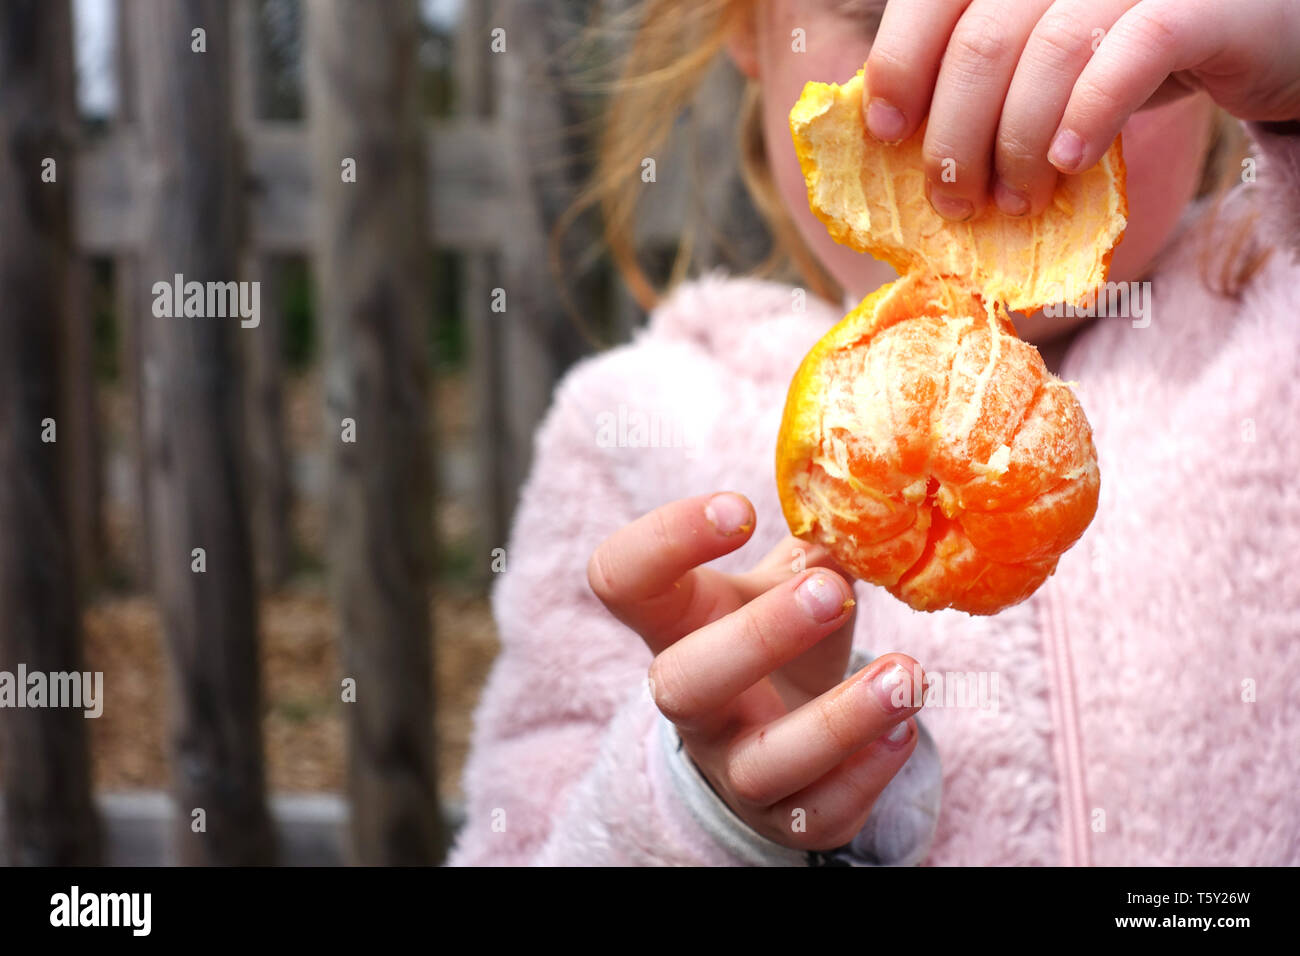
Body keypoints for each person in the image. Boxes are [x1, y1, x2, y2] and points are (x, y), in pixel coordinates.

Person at [447, 0, 1300, 866]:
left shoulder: (1283, 329)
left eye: (1086, 17)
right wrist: (702, 815)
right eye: (884, 12)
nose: (994, 99)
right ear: (749, 30)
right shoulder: (627, 439)